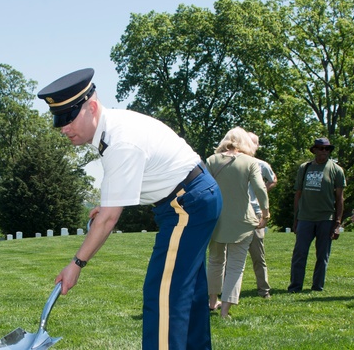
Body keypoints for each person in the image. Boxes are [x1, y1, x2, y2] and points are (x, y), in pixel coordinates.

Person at [37, 68, 222, 350]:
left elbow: (110, 219)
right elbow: (131, 182)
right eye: (58, 120)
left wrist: (76, 264)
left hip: (187, 205)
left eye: (68, 118)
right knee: (190, 295)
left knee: (163, 296)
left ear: (92, 108)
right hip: (194, 196)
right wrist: (108, 203)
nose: (63, 128)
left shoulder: (119, 141)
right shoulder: (113, 130)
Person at [205, 127, 269, 319]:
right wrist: (265, 213)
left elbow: (203, 187)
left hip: (216, 220)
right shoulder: (250, 162)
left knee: (215, 261)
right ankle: (225, 311)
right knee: (235, 266)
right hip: (243, 221)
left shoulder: (211, 160)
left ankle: (211, 302)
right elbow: (260, 188)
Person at [288, 137, 345, 293]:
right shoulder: (304, 168)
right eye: (320, 148)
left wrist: (337, 223)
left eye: (327, 149)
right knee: (299, 253)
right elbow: (298, 194)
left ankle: (317, 287)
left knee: (322, 256)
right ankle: (295, 286)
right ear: (314, 150)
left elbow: (340, 198)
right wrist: (296, 219)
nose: (324, 151)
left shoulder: (336, 170)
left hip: (326, 219)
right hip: (305, 218)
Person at [247, 132, 277, 299]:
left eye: (254, 143)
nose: (250, 146)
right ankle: (221, 292)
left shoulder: (261, 165)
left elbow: (273, 179)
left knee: (258, 256)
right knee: (227, 257)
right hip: (235, 214)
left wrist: (262, 191)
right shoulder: (232, 163)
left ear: (257, 146)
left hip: (256, 213)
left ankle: (264, 291)